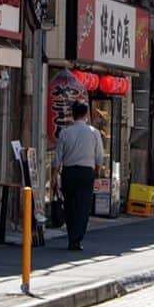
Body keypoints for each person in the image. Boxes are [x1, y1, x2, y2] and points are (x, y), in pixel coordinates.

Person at [54, 101, 104, 251]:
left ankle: (71, 236)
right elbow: (99, 156)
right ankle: (77, 238)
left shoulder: (65, 132)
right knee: (83, 206)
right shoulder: (94, 132)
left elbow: (57, 157)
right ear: (86, 114)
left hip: (69, 172)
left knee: (69, 204)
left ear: (73, 114)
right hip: (86, 173)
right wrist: (97, 171)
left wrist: (55, 175)